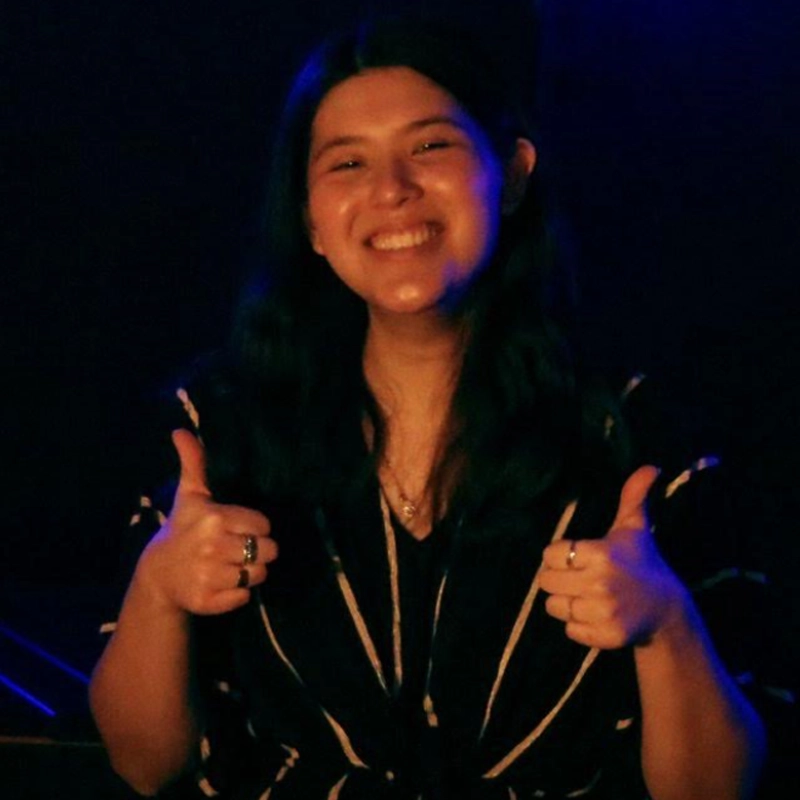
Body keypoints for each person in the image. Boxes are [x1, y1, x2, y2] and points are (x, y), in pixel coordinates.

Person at [90, 17, 768, 800]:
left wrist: (665, 625)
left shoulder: (644, 438)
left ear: (512, 174)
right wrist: (159, 588)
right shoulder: (216, 428)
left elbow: (719, 789)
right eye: (347, 162)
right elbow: (143, 762)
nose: (391, 190)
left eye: (431, 147)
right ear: (310, 218)